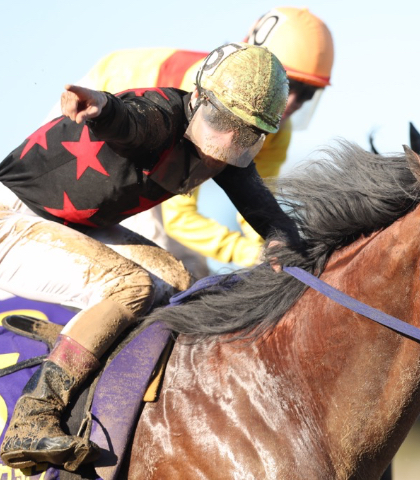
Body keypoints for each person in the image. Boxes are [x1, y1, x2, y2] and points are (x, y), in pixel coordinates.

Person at [0, 42, 299, 470]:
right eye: (219, 121)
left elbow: (267, 214)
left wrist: (291, 250)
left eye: (246, 133)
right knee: (131, 286)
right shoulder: (161, 115)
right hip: (9, 214)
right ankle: (33, 416)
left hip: (67, 222)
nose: (224, 145)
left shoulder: (227, 150)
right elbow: (131, 121)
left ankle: (95, 364)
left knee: (181, 285)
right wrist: (102, 106)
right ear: (197, 98)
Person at [54, 6, 334, 277]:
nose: (292, 103)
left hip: (139, 139)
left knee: (191, 271)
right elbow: (178, 219)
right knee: (168, 271)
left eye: (308, 93)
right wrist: (251, 255)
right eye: (289, 85)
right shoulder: (208, 96)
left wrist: (275, 246)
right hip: (96, 110)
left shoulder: (276, 130)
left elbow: (258, 203)